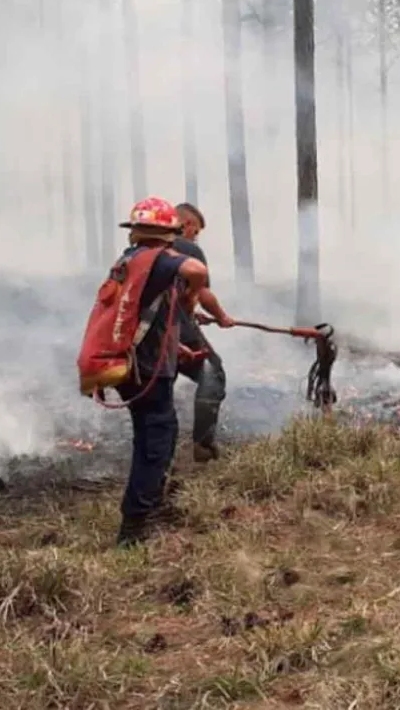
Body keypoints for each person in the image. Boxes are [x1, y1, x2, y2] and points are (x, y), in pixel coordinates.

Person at [113, 197, 209, 547]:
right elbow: (196, 272)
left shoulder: (129, 260)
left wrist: (175, 345)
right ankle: (135, 526)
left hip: (137, 363)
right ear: (167, 232)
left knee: (157, 434)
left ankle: (152, 502)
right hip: (148, 368)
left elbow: (145, 315)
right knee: (155, 441)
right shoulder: (157, 258)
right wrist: (190, 300)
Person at [171, 202, 235, 462]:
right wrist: (222, 317)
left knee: (161, 387)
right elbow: (204, 292)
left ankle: (161, 456)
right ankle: (203, 445)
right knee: (213, 373)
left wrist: (190, 311)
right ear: (185, 224)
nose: (195, 237)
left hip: (146, 333)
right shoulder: (188, 249)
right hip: (174, 329)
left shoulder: (146, 250)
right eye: (195, 231)